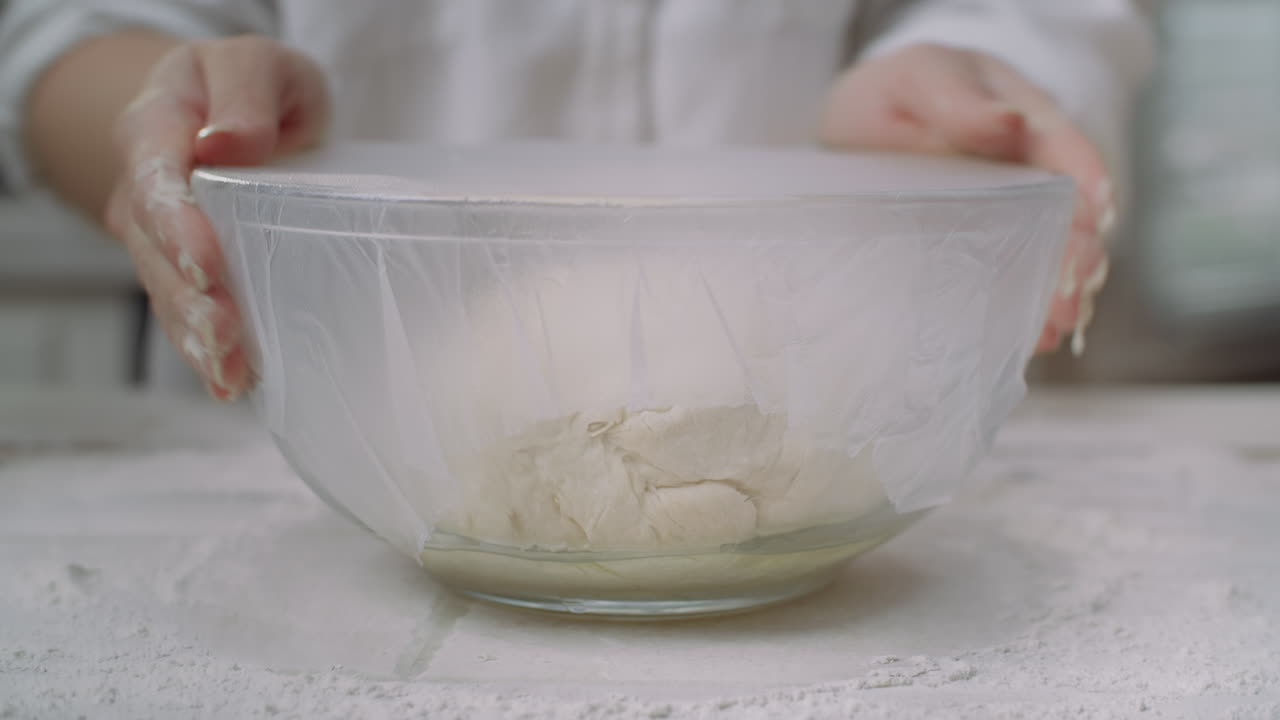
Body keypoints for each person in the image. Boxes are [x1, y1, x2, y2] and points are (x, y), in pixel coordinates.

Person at [0, 1, 1155, 401]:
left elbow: (1021, 10)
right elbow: (68, 29)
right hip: (308, 410)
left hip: (828, 401)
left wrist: (951, 80)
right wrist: (178, 112)